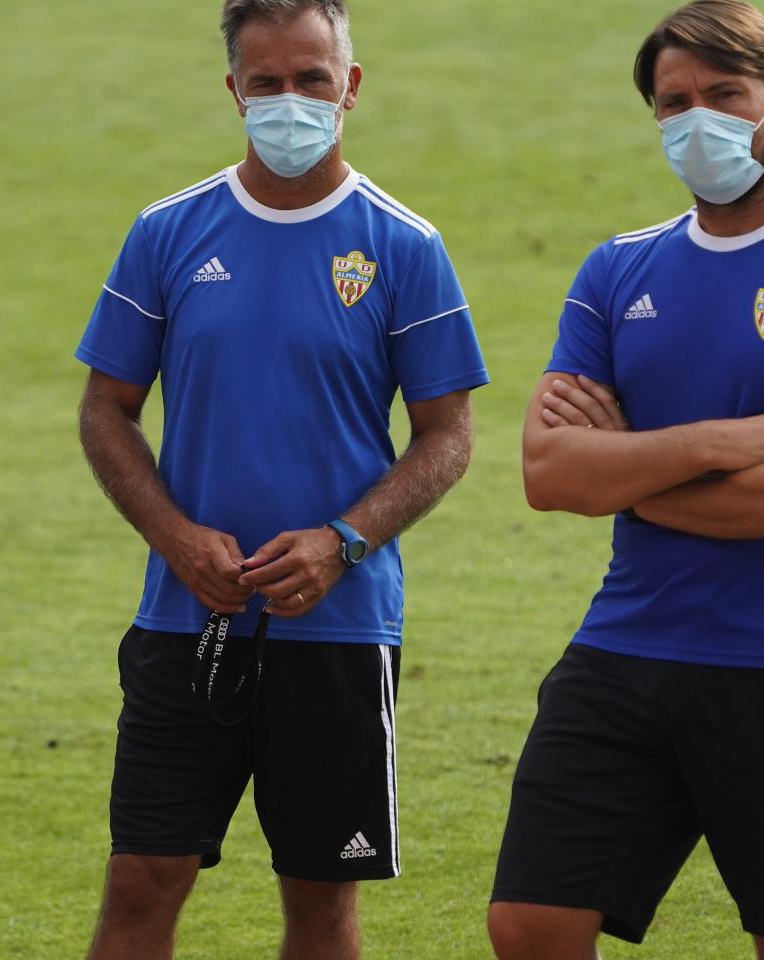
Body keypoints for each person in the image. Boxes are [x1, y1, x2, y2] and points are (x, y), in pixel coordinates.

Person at [488, 2, 764, 958]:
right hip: (625, 646)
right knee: (527, 925)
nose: (700, 122)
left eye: (726, 96)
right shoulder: (616, 270)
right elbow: (551, 470)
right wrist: (720, 441)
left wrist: (629, 471)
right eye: (674, 103)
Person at [76, 2, 489, 957]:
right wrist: (176, 541)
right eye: (267, 82)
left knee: (320, 899)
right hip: (186, 619)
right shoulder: (168, 231)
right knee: (141, 881)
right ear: (234, 91)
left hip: (337, 627)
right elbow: (106, 410)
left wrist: (344, 543)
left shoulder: (404, 246)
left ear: (351, 85)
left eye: (312, 79)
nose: (291, 101)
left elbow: (448, 436)